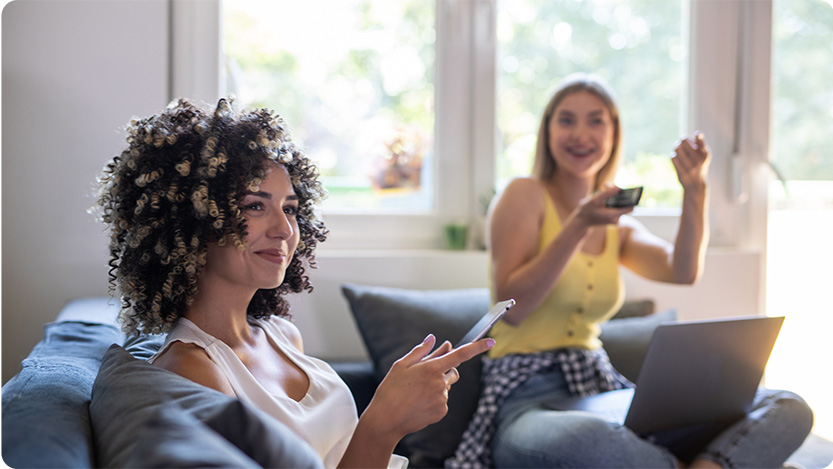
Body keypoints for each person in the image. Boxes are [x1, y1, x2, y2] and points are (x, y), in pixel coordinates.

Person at [94, 98, 494, 468]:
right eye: (255, 206)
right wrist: (383, 424)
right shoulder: (192, 370)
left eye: (290, 208)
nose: (284, 229)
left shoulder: (282, 335)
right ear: (191, 223)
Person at [446, 73, 813, 468]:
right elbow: (514, 309)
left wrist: (695, 191)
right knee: (593, 442)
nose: (580, 134)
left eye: (596, 120)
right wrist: (579, 225)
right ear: (547, 130)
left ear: (614, 132)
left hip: (602, 393)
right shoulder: (523, 194)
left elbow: (683, 270)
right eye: (566, 120)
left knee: (787, 406)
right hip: (526, 402)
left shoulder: (614, 223)